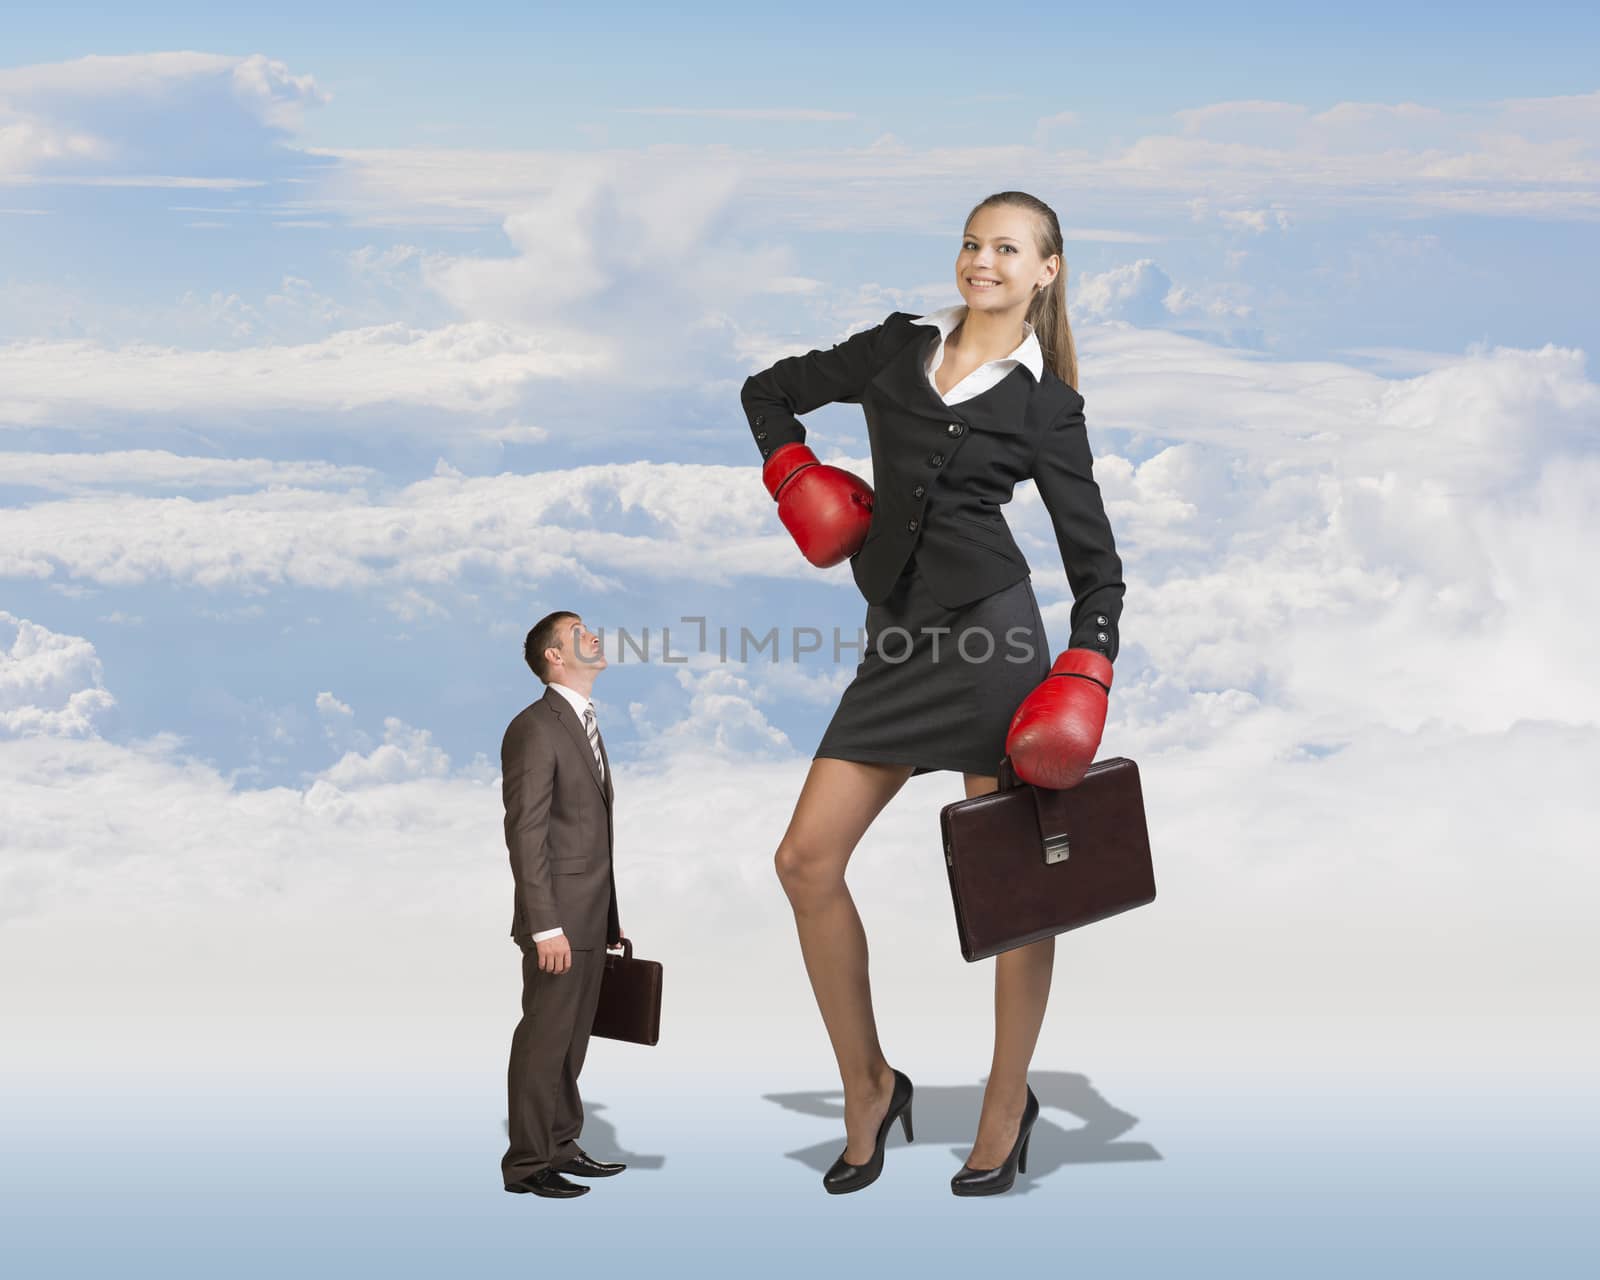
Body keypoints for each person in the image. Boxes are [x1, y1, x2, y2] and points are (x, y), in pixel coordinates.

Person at [740, 191, 1125, 1196]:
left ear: (1046, 270)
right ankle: (867, 1083)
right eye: (970, 242)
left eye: (1006, 247)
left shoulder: (1046, 405)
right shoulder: (893, 346)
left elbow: (1098, 568)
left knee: (1011, 889)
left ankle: (1007, 1100)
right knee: (804, 860)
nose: (981, 259)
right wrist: (794, 473)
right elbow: (767, 389)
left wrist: (1086, 666)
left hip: (996, 644)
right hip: (899, 644)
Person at [499, 611, 627, 1199]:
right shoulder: (535, 727)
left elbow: (586, 831)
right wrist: (544, 924)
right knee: (545, 1039)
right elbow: (525, 833)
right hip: (557, 917)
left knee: (572, 1039)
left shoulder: (582, 724)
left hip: (590, 912)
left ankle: (560, 1144)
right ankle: (527, 1166)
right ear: (554, 656)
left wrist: (609, 922)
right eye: (579, 632)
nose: (594, 636)